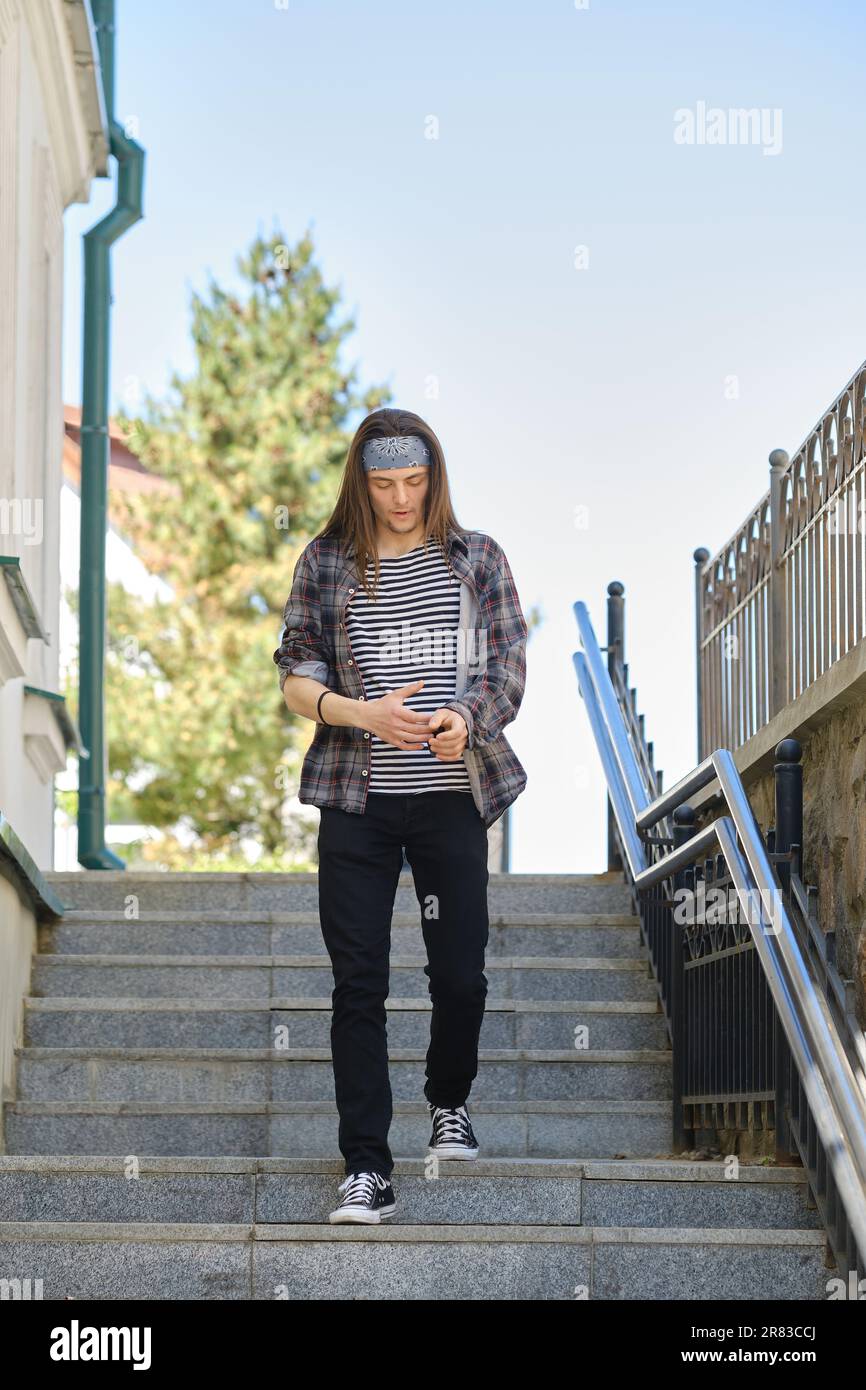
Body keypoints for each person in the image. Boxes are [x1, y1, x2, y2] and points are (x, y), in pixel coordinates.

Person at [273, 407, 528, 1224]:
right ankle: (367, 1166)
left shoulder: (476, 559)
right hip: (357, 802)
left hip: (451, 798)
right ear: (362, 482)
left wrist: (464, 720)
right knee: (359, 982)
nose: (400, 498)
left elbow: (507, 662)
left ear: (434, 476)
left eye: (414, 481)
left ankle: (448, 1100)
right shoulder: (327, 561)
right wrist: (360, 713)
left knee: (460, 974)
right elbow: (295, 672)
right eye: (384, 484)